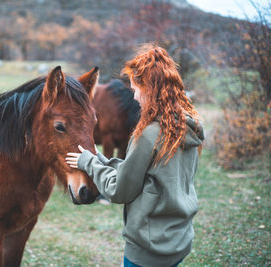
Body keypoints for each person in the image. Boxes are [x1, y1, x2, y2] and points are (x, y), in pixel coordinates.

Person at [66, 43, 204, 267]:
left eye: (136, 90)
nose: (135, 98)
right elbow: (147, 175)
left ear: (149, 89)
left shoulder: (149, 134)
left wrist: (89, 164)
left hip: (149, 249)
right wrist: (98, 159)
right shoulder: (186, 126)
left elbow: (120, 191)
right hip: (178, 239)